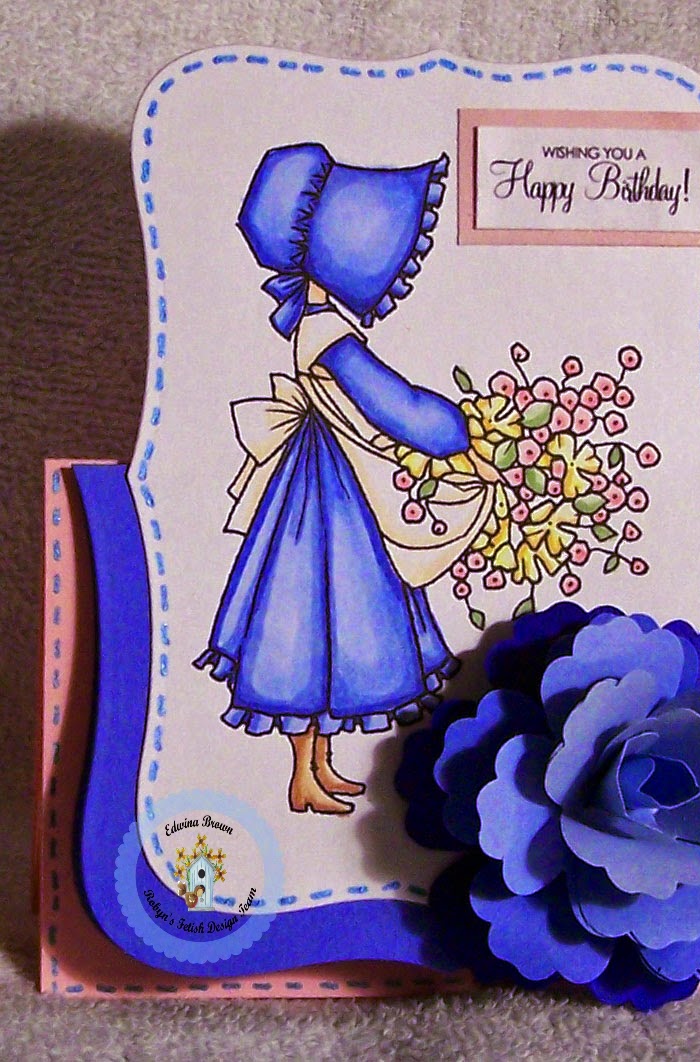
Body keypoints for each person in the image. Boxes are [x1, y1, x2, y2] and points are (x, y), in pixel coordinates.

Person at [194, 143, 491, 815]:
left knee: (326, 631)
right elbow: (398, 406)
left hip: (327, 482)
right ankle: (303, 776)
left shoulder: (319, 323)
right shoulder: (328, 333)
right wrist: (456, 427)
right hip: (326, 500)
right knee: (315, 625)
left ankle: (317, 767)